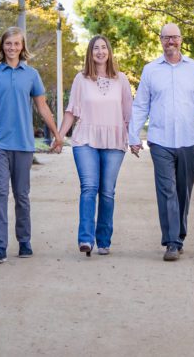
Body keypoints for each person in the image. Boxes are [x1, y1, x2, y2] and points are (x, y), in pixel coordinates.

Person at [0, 26, 59, 264]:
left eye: (17, 44)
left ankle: (24, 242)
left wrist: (56, 134)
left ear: (23, 47)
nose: (12, 48)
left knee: (22, 195)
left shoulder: (31, 74)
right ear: (2, 46)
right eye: (8, 43)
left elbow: (42, 106)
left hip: (23, 144)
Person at [129, 23, 194, 261]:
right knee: (167, 191)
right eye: (166, 38)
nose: (171, 42)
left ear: (181, 39)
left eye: (174, 37)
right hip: (160, 141)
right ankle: (172, 242)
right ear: (160, 40)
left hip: (188, 140)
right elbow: (141, 105)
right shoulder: (150, 70)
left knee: (183, 191)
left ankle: (179, 234)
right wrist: (134, 137)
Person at [51, 35, 132, 257]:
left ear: (109, 51)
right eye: (95, 48)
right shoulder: (81, 79)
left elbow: (129, 113)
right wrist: (60, 136)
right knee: (89, 188)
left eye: (103, 47)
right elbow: (71, 111)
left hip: (114, 141)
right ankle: (86, 239)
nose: (100, 51)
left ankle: (103, 240)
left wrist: (133, 139)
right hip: (85, 139)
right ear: (90, 52)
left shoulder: (121, 79)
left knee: (107, 192)